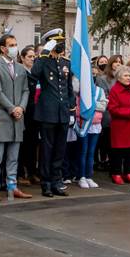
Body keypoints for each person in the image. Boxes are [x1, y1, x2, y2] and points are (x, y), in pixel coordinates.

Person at [0, 34, 32, 201]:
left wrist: (21, 107)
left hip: (17, 119)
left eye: (15, 44)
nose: (14, 47)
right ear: (3, 48)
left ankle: (12, 187)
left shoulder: (20, 68)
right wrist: (12, 108)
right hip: (1, 117)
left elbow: (26, 90)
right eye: (11, 45)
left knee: (13, 158)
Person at [31, 29, 74, 197]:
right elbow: (34, 74)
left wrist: (71, 105)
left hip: (62, 113)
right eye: (57, 42)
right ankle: (46, 182)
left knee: (60, 150)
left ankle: (57, 181)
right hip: (47, 113)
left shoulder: (65, 62)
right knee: (47, 149)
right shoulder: (43, 61)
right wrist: (44, 53)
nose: (60, 45)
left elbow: (68, 87)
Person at [77, 79, 107, 188]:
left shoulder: (100, 91)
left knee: (91, 152)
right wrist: (93, 105)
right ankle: (81, 176)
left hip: (96, 124)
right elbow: (79, 107)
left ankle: (89, 176)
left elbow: (103, 106)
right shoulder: (80, 91)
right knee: (83, 151)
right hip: (84, 124)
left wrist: (90, 105)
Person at [17, 45, 41, 186]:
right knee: (22, 145)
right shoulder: (21, 72)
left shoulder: (36, 72)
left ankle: (32, 172)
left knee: (33, 144)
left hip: (35, 113)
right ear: (23, 58)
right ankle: (20, 173)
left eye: (34, 56)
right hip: (24, 111)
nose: (32, 59)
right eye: (29, 56)